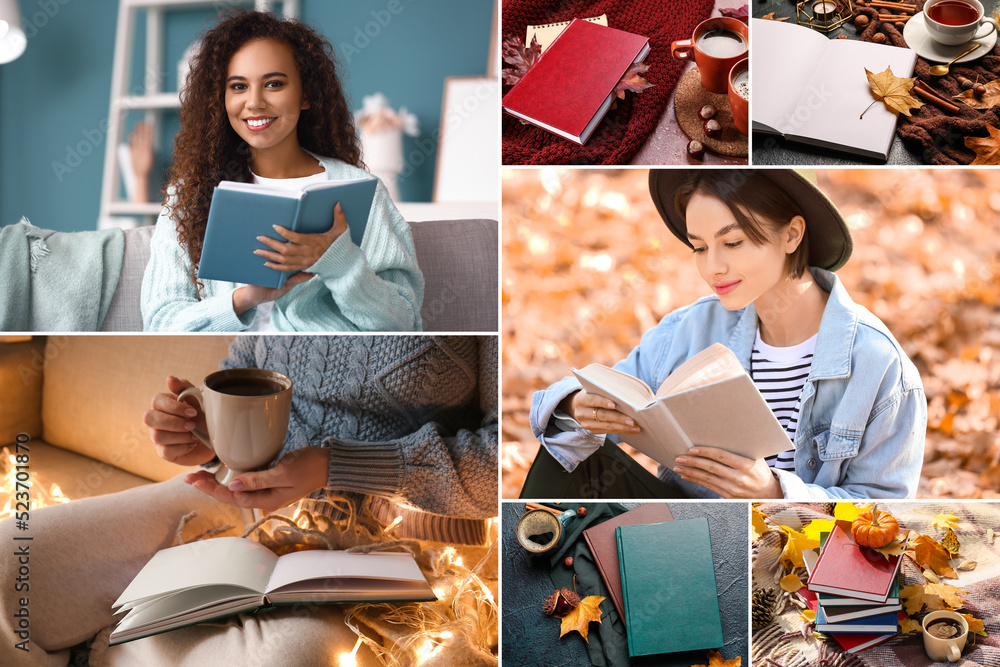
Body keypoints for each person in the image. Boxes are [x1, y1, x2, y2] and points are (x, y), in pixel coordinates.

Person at [0, 335, 497, 665]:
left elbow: (503, 461)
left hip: (406, 544)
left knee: (289, 659)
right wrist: (207, 430)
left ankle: (102, 642)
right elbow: (242, 373)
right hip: (243, 494)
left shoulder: (477, 272)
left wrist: (333, 465)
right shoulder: (274, 252)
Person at [526, 169, 926, 500]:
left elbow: (885, 511)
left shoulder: (879, 364)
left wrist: (774, 493)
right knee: (564, 456)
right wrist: (578, 405)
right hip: (685, 529)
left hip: (791, 554)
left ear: (791, 235)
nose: (713, 268)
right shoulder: (689, 330)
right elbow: (589, 400)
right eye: (699, 248)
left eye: (732, 242)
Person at [141, 10, 423, 332]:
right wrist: (245, 298)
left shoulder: (362, 190)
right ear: (220, 99)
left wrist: (341, 263)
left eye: (274, 84)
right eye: (238, 86)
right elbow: (160, 323)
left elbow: (405, 322)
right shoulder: (187, 197)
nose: (255, 102)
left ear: (306, 95)